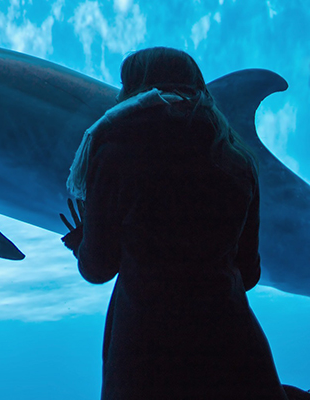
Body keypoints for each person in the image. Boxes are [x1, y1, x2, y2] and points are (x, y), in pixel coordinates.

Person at [58, 47, 292, 400]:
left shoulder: (115, 150)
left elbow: (98, 267)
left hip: (146, 350)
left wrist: (82, 242)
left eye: (125, 85)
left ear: (136, 90)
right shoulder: (237, 157)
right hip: (232, 344)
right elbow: (248, 273)